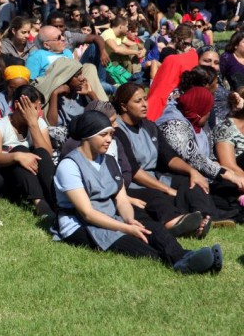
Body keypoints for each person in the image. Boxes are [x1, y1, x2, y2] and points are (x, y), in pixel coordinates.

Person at [52, 111, 223, 275]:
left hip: (109, 215)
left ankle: (185, 256)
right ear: (88, 136)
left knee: (152, 229)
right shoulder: (69, 166)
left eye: (111, 134)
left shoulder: (109, 160)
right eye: (103, 135)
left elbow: (121, 199)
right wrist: (126, 228)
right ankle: (184, 264)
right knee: (135, 244)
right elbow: (87, 213)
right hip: (80, 224)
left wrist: (130, 220)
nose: (109, 140)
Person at [113, 83, 225, 233]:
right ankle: (176, 223)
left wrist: (192, 171)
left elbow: (169, 157)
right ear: (124, 106)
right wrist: (166, 189)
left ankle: (206, 216)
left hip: (155, 176)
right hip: (132, 184)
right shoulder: (118, 131)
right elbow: (134, 171)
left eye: (145, 99)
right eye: (138, 101)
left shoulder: (149, 126)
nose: (145, 104)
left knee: (190, 182)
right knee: (157, 196)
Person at [156, 86, 244, 220]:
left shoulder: (199, 125)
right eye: (208, 111)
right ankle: (212, 215)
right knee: (200, 185)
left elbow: (207, 157)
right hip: (176, 175)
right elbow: (194, 158)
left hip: (204, 173)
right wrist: (228, 175)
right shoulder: (174, 125)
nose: (210, 115)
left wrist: (225, 171)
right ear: (200, 111)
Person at [0, 85, 56, 218]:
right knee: (20, 149)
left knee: (40, 152)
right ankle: (40, 204)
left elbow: (48, 154)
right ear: (18, 105)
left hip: (36, 174)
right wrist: (16, 156)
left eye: (38, 108)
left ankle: (57, 199)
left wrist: (33, 125)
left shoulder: (39, 123)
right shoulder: (0, 126)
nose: (37, 112)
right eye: (33, 108)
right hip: (11, 178)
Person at [26, 26, 108, 101]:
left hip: (74, 87)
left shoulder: (67, 52)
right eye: (58, 38)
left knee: (89, 67)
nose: (63, 38)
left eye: (62, 35)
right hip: (53, 90)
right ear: (47, 45)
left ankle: (104, 105)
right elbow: (31, 84)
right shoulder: (37, 56)